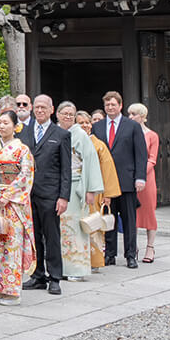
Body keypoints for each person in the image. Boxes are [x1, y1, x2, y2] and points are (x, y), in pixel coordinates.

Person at [92, 90, 148, 268]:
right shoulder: (98, 127)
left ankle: (131, 255)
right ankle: (109, 254)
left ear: (120, 105)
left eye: (113, 104)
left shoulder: (131, 126)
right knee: (108, 219)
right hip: (105, 182)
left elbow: (141, 154)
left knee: (129, 220)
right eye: (107, 104)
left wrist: (140, 177)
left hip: (127, 180)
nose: (110, 107)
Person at [21, 94, 71, 294]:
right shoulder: (23, 133)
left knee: (51, 236)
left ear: (52, 110)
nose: (40, 111)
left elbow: (66, 169)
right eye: (37, 107)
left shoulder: (61, 134)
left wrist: (64, 196)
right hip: (28, 193)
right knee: (33, 237)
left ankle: (55, 277)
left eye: (44, 107)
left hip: (50, 193)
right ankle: (37, 274)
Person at [0, 109, 36, 306]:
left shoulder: (22, 149)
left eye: (6, 123)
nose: (2, 126)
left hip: (13, 205)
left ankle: (13, 292)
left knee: (11, 246)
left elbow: (26, 176)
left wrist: (6, 195)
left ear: (15, 126)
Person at [55, 101, 103, 281]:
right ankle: (58, 266)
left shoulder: (80, 135)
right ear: (57, 114)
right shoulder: (55, 132)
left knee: (76, 227)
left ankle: (76, 269)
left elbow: (90, 161)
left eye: (71, 114)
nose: (68, 117)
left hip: (76, 184)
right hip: (58, 183)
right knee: (59, 228)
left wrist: (91, 189)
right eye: (64, 113)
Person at [76, 110, 120, 271]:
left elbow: (108, 170)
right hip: (75, 192)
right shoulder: (71, 141)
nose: (85, 125)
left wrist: (107, 194)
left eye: (87, 122)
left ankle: (94, 261)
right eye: (81, 123)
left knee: (94, 226)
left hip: (94, 192)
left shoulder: (99, 145)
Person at [129, 102, 160, 263]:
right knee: (131, 212)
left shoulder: (152, 135)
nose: (130, 117)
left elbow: (152, 159)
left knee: (148, 211)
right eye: (129, 114)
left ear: (142, 116)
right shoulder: (128, 133)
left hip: (146, 179)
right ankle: (132, 246)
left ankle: (150, 247)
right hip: (130, 176)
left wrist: (139, 173)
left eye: (133, 114)